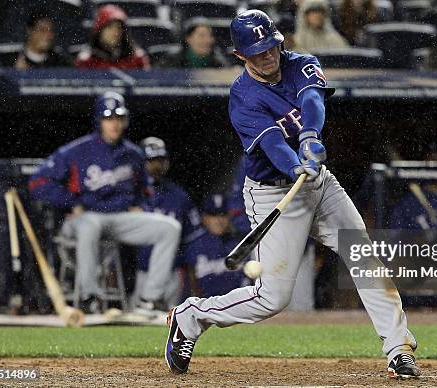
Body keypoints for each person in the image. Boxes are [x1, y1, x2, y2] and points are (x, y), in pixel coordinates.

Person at [165, 10, 420, 379]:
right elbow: (270, 144)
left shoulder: (301, 62)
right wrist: (294, 163)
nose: (267, 56)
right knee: (272, 298)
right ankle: (192, 315)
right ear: (240, 56)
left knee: (362, 253)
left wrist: (310, 136)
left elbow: (313, 100)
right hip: (272, 193)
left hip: (319, 185)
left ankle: (399, 348)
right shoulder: (242, 96)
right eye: (257, 52)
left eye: (270, 46)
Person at [28, 92, 180, 315]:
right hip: (83, 218)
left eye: (119, 118)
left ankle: (149, 299)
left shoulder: (133, 154)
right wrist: (71, 203)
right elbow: (37, 182)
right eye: (109, 118)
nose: (114, 124)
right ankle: (89, 297)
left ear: (125, 120)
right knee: (91, 225)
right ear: (99, 121)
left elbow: (146, 192)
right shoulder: (76, 151)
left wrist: (143, 207)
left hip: (119, 219)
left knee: (169, 227)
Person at [135, 137, 205, 307]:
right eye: (151, 161)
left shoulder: (179, 196)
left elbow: (190, 243)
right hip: (141, 273)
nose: (156, 166)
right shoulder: (131, 195)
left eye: (160, 160)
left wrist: (195, 287)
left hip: (172, 274)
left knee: (171, 322)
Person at [183, 193, 250, 298]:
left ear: (229, 216)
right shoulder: (194, 245)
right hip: (206, 308)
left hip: (240, 305)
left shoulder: (240, 242)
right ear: (204, 217)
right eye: (213, 215)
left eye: (222, 214)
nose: (219, 220)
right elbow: (191, 288)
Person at [75, 5, 150, 70]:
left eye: (119, 27)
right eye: (109, 27)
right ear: (99, 30)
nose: (115, 32)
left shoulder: (137, 59)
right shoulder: (86, 61)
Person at [159, 19, 228, 69]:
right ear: (188, 39)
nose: (208, 40)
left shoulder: (219, 62)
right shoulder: (172, 60)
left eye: (210, 35)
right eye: (202, 36)